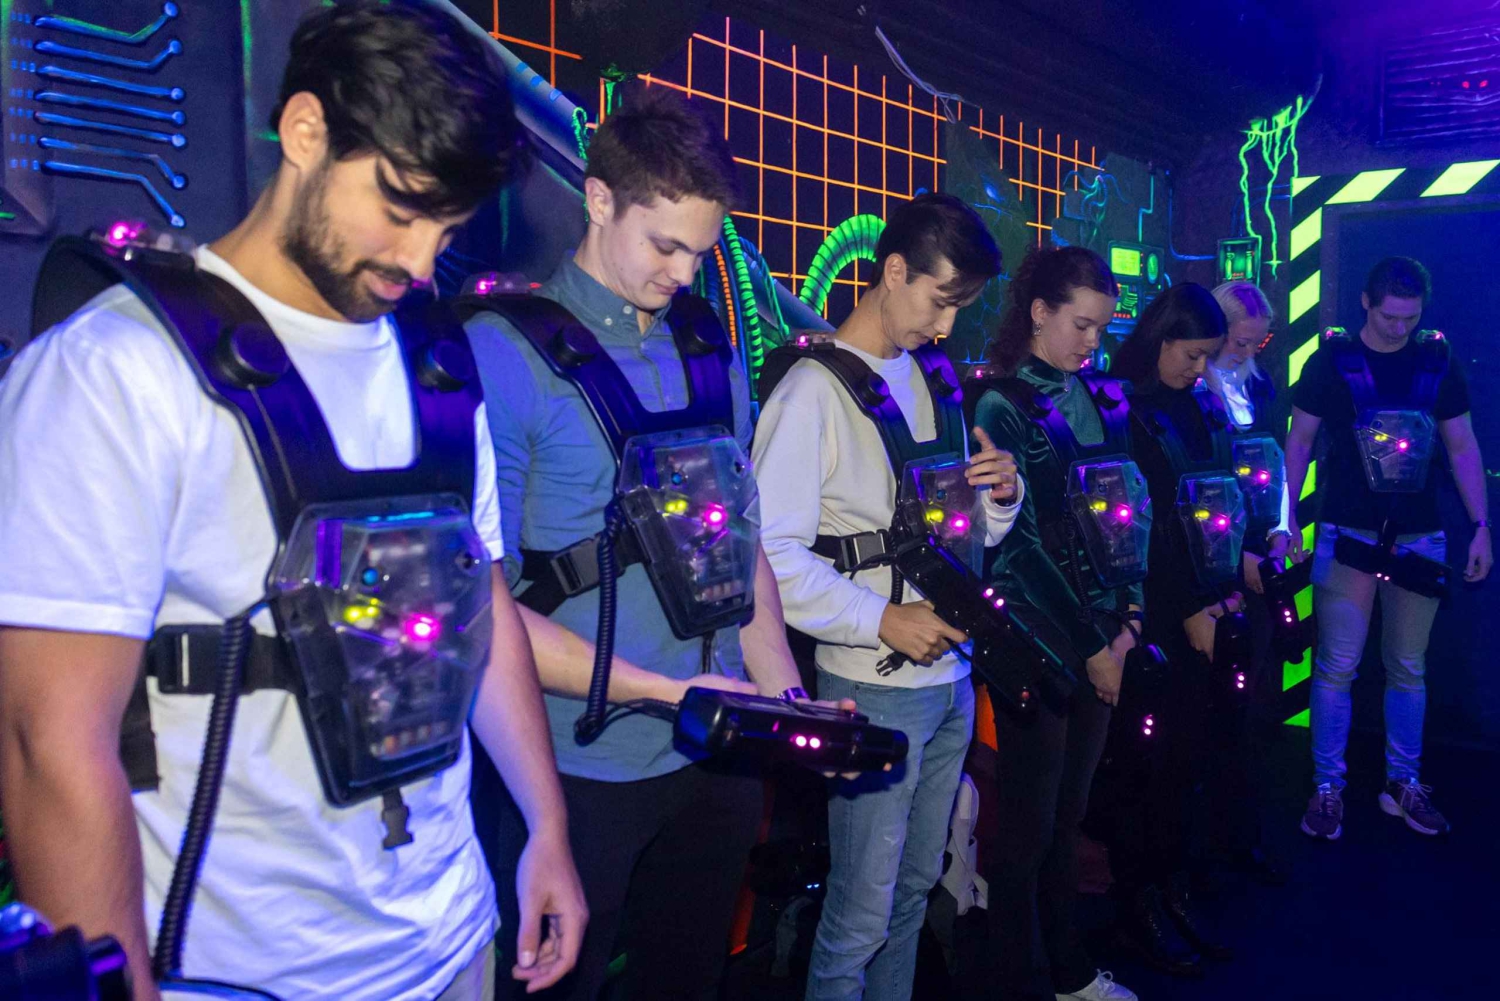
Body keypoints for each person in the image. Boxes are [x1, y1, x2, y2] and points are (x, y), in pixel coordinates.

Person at [0, 3, 587, 999]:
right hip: (246, 975)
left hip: (452, 939)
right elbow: (47, 743)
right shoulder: (114, 373)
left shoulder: (437, 366)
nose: (420, 260)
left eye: (446, 228)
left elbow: (476, 611)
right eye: (401, 208)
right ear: (306, 131)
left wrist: (547, 826)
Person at [464, 85, 810, 1001]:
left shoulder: (708, 346)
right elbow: (482, 611)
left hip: (716, 750)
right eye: (665, 246)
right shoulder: (503, 353)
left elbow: (741, 540)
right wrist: (665, 691)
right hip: (577, 767)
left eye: (701, 251)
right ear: (598, 198)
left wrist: (785, 695)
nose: (684, 275)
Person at [753, 193, 1015, 1001]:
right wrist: (881, 619)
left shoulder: (937, 378)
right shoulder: (809, 390)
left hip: (952, 680)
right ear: (894, 270)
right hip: (870, 686)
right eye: (941, 301)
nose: (946, 326)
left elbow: (962, 535)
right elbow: (768, 558)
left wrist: (1001, 497)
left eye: (961, 308)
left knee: (912, 896)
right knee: (861, 913)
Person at [968, 245, 1139, 1001]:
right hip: (1035, 634)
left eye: (1102, 328)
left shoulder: (1097, 396)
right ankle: (1018, 976)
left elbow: (1125, 513)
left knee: (1067, 817)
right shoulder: (999, 403)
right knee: (1028, 826)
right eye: (1081, 324)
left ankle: (1067, 972)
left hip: (1100, 630)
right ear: (1039, 313)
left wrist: (1130, 616)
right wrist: (1098, 643)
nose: (1092, 342)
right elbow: (1018, 548)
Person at [1286, 256, 1491, 841]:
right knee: (1337, 666)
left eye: (1411, 317)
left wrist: (1481, 525)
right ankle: (1328, 786)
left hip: (1419, 534)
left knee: (1408, 666)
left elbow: (1462, 445)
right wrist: (1286, 519)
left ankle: (1403, 782)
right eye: (1390, 316)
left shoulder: (1436, 359)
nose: (1400, 327)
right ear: (1367, 304)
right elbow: (1298, 441)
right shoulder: (1331, 360)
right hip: (1347, 531)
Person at [1099, 283, 1244, 977]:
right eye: (1192, 354)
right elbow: (1133, 527)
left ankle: (1170, 888)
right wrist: (1188, 606)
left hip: (1202, 602)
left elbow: (1217, 500)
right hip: (1149, 611)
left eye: (1208, 356)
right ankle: (1140, 903)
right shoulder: (1120, 407)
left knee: (1186, 760)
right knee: (1143, 767)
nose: (1200, 367)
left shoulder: (1198, 403)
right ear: (1161, 339)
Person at [1199, 280, 1295, 885]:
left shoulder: (1260, 386)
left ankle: (1242, 834)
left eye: (1256, 341)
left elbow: (1279, 462)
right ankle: (1204, 842)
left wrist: (1284, 528)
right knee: (1211, 709)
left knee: (1253, 705)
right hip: (1216, 567)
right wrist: (1238, 562)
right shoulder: (1194, 391)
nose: (1246, 350)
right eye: (1237, 340)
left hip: (1262, 557)